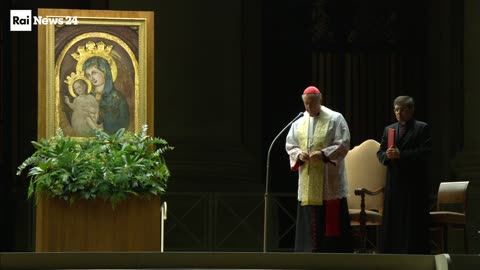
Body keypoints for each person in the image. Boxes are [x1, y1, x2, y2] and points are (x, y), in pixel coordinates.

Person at [286, 86, 352, 253]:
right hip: (308, 181)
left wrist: (323, 154)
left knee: (330, 222)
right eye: (306, 104)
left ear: (320, 100)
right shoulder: (299, 122)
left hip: (329, 180)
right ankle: (306, 253)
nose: (308, 108)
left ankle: (332, 256)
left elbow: (343, 143)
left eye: (312, 103)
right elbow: (290, 145)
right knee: (310, 220)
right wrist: (299, 155)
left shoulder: (335, 118)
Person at [377, 95, 431, 254]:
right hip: (394, 182)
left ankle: (413, 252)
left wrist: (402, 154)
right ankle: (392, 252)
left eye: (402, 109)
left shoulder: (422, 128)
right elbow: (380, 152)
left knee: (412, 220)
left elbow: (425, 152)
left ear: (411, 110)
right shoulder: (389, 129)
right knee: (394, 219)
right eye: (396, 109)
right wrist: (387, 155)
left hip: (414, 183)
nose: (398, 113)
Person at [83, 56, 130, 134]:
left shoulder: (117, 98)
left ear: (104, 72)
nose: (91, 78)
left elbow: (124, 123)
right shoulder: (88, 97)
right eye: (88, 75)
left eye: (94, 73)